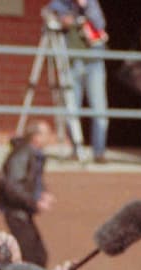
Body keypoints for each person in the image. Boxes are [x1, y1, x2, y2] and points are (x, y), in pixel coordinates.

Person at [45, 0, 110, 162]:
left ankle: (99, 152)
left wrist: (85, 7)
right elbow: (47, 21)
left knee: (99, 108)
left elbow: (100, 24)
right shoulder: (59, 4)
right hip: (71, 62)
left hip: (93, 62)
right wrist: (62, 20)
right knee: (72, 107)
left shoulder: (92, 4)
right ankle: (76, 148)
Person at [0, 119, 55, 266]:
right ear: (36, 136)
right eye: (46, 134)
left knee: (37, 255)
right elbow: (13, 185)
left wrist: (42, 194)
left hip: (22, 212)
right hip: (16, 212)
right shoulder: (23, 154)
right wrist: (34, 202)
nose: (50, 138)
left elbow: (31, 181)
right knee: (32, 256)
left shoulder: (33, 154)